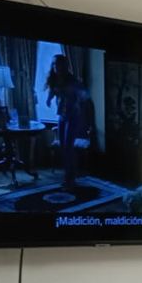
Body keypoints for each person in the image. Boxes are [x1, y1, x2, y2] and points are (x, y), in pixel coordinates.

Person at [45, 54, 94, 188]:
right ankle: (69, 176)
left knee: (68, 147)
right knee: (63, 147)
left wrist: (89, 122)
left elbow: (87, 99)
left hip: (73, 116)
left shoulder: (73, 81)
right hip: (62, 116)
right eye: (54, 64)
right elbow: (52, 91)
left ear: (64, 66)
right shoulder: (55, 80)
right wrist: (49, 99)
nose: (56, 67)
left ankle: (70, 178)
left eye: (58, 64)